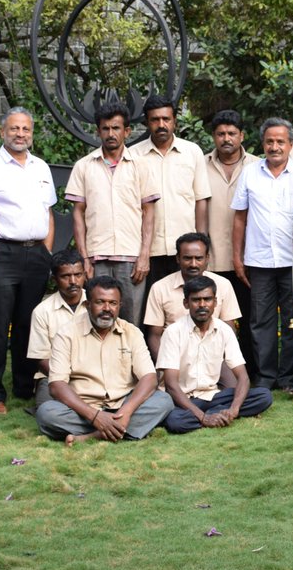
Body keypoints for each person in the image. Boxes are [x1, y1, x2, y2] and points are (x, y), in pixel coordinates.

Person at [231, 118, 293, 392]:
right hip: (259, 261)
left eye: (281, 141)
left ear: (291, 144)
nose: (275, 146)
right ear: (262, 144)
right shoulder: (249, 173)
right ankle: (266, 378)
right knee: (261, 322)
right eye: (270, 141)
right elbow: (239, 219)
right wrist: (237, 258)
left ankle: (289, 378)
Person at [0, 107, 55, 415]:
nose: (20, 134)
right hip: (1, 253)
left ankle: (25, 385)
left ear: (31, 134)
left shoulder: (41, 168)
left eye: (26, 129)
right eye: (14, 129)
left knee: (28, 324)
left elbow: (48, 212)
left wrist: (46, 252)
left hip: (36, 254)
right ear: (2, 132)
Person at [35, 276, 173, 444]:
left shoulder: (132, 332)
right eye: (100, 302)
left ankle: (94, 436)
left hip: (123, 403)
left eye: (113, 303)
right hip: (84, 407)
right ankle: (121, 430)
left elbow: (149, 378)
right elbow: (57, 385)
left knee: (164, 400)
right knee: (47, 413)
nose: (107, 309)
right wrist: (95, 416)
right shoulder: (66, 334)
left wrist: (127, 412)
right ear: (87, 305)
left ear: (120, 306)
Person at [65, 101, 158, 326]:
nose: (110, 133)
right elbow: (78, 214)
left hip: (131, 257)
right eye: (105, 128)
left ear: (126, 131)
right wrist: (84, 258)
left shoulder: (141, 165)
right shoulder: (84, 166)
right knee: (98, 320)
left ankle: (129, 362)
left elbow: (149, 213)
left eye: (116, 128)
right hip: (97, 257)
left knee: (131, 321)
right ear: (98, 131)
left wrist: (144, 255)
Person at [157, 276, 274, 433]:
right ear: (186, 303)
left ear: (216, 302)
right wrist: (204, 418)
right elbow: (171, 385)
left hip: (213, 396)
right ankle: (210, 416)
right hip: (183, 399)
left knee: (263, 396)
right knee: (175, 421)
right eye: (196, 300)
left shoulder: (224, 330)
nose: (202, 305)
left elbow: (243, 377)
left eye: (207, 299)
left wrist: (234, 409)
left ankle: (218, 414)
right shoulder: (173, 332)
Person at [132, 94, 211, 302]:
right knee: (150, 311)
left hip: (186, 252)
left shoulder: (192, 152)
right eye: (155, 120)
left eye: (166, 119)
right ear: (147, 122)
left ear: (174, 120)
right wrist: (141, 253)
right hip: (149, 252)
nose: (161, 125)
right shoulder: (133, 156)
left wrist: (202, 243)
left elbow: (200, 200)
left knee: (187, 307)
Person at [204, 110, 259, 380]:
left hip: (249, 260)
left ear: (242, 136)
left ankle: (252, 372)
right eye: (221, 134)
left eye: (232, 133)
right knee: (213, 321)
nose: (226, 139)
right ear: (213, 136)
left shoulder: (258, 166)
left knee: (251, 318)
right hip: (211, 259)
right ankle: (217, 373)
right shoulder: (199, 166)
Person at [143, 232, 242, 360]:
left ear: (207, 258)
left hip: (214, 357)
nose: (193, 264)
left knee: (237, 380)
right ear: (178, 259)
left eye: (199, 258)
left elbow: (229, 330)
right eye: (187, 258)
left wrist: (221, 361)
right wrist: (165, 366)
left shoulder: (223, 285)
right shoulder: (160, 288)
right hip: (175, 357)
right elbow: (154, 336)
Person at [25, 249, 88, 409]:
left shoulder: (99, 303)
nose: (73, 281)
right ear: (54, 279)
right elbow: (41, 359)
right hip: (54, 376)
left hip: (94, 374)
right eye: (66, 276)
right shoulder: (42, 311)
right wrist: (68, 379)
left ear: (85, 275)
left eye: (78, 275)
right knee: (47, 409)